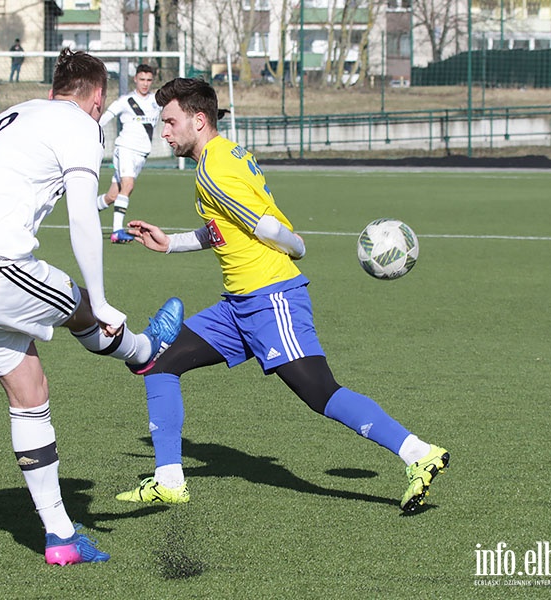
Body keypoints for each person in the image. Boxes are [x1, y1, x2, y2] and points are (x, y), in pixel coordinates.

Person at [116, 78, 450, 514]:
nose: (164, 132)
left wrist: (298, 246)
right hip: (238, 304)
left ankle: (418, 454)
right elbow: (225, 229)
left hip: (270, 297)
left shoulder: (212, 169)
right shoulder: (227, 154)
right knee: (160, 362)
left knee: (319, 391)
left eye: (170, 122)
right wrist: (171, 243)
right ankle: (169, 480)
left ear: (198, 121)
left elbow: (264, 228)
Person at [0, 48, 184, 565]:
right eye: (100, 106)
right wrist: (107, 300)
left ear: (52, 90)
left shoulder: (13, 113)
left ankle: (61, 538)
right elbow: (81, 221)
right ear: (96, 99)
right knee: (83, 306)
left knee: (29, 393)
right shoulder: (81, 125)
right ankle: (141, 350)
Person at [96, 64, 160, 243]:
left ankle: (88, 211)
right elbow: (104, 119)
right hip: (125, 149)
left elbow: (178, 111)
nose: (145, 84)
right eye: (142, 80)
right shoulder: (125, 101)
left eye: (149, 80)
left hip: (142, 154)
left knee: (113, 196)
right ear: (135, 79)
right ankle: (117, 232)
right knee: (128, 185)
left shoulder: (156, 101)